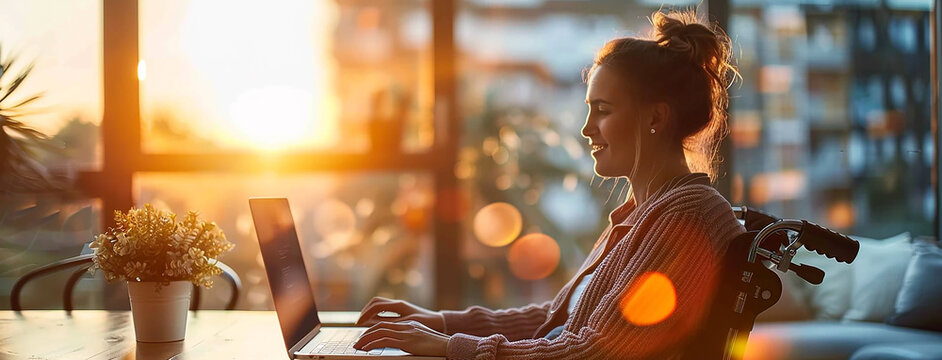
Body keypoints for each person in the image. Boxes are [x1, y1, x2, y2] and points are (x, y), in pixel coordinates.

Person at [353, 9, 746, 359]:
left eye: (603, 111)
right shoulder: (644, 213)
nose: (587, 129)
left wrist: (448, 347)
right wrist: (440, 323)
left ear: (655, 117)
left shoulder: (688, 215)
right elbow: (554, 317)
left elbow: (595, 349)